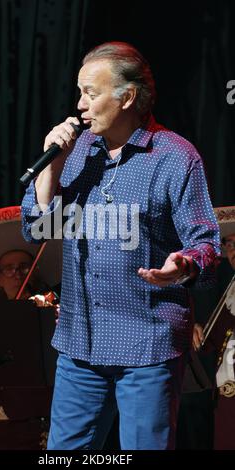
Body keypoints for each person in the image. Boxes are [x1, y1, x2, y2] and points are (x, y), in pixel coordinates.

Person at [21, 41, 220, 450]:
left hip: (147, 344)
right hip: (80, 343)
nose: (80, 104)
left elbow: (207, 245)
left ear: (127, 97)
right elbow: (36, 229)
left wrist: (181, 265)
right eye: (80, 93)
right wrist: (52, 166)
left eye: (91, 94)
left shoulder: (175, 158)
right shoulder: (78, 153)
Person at [192, 217, 235, 450]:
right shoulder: (230, 292)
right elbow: (211, 343)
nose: (233, 251)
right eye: (228, 245)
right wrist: (197, 331)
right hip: (227, 402)